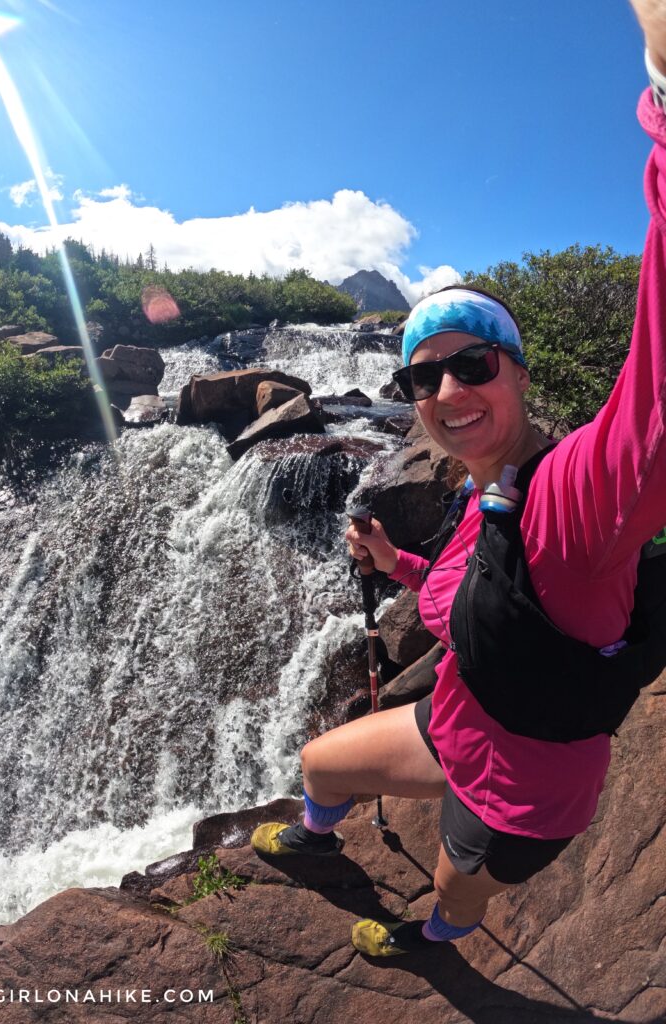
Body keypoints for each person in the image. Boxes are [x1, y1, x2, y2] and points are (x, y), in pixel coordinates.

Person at [251, 0, 666, 956]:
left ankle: (436, 935)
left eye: (473, 363)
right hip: (450, 726)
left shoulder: (574, 501)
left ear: (519, 373)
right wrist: (398, 563)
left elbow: (654, 410)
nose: (446, 387)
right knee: (320, 764)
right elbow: (468, 599)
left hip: (524, 785)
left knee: (457, 874)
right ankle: (320, 846)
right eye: (422, 374)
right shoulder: (490, 499)